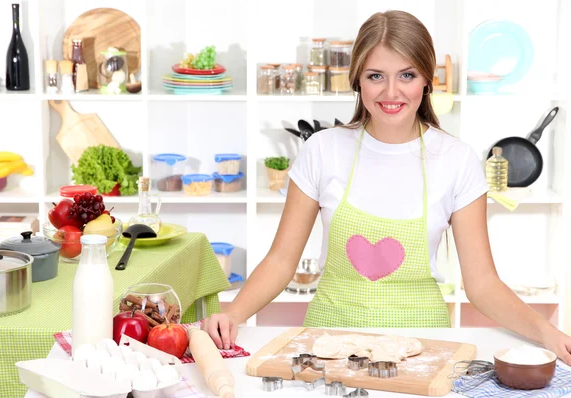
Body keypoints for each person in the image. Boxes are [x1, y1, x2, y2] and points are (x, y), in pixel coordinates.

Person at [201, 10, 571, 365]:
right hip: (330, 338)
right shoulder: (322, 150)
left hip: (424, 345)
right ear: (357, 79)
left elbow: (483, 284)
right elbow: (281, 262)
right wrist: (233, 312)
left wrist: (546, 332)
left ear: (428, 79)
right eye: (376, 76)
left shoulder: (457, 159)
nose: (391, 92)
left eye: (407, 75)